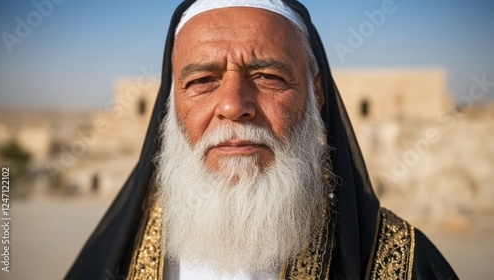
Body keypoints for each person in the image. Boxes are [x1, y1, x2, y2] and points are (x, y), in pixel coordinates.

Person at [66, 0, 458, 279]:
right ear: (172, 101)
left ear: (316, 94)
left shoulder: (403, 263)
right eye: (203, 81)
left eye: (268, 77)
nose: (234, 106)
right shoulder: (116, 255)